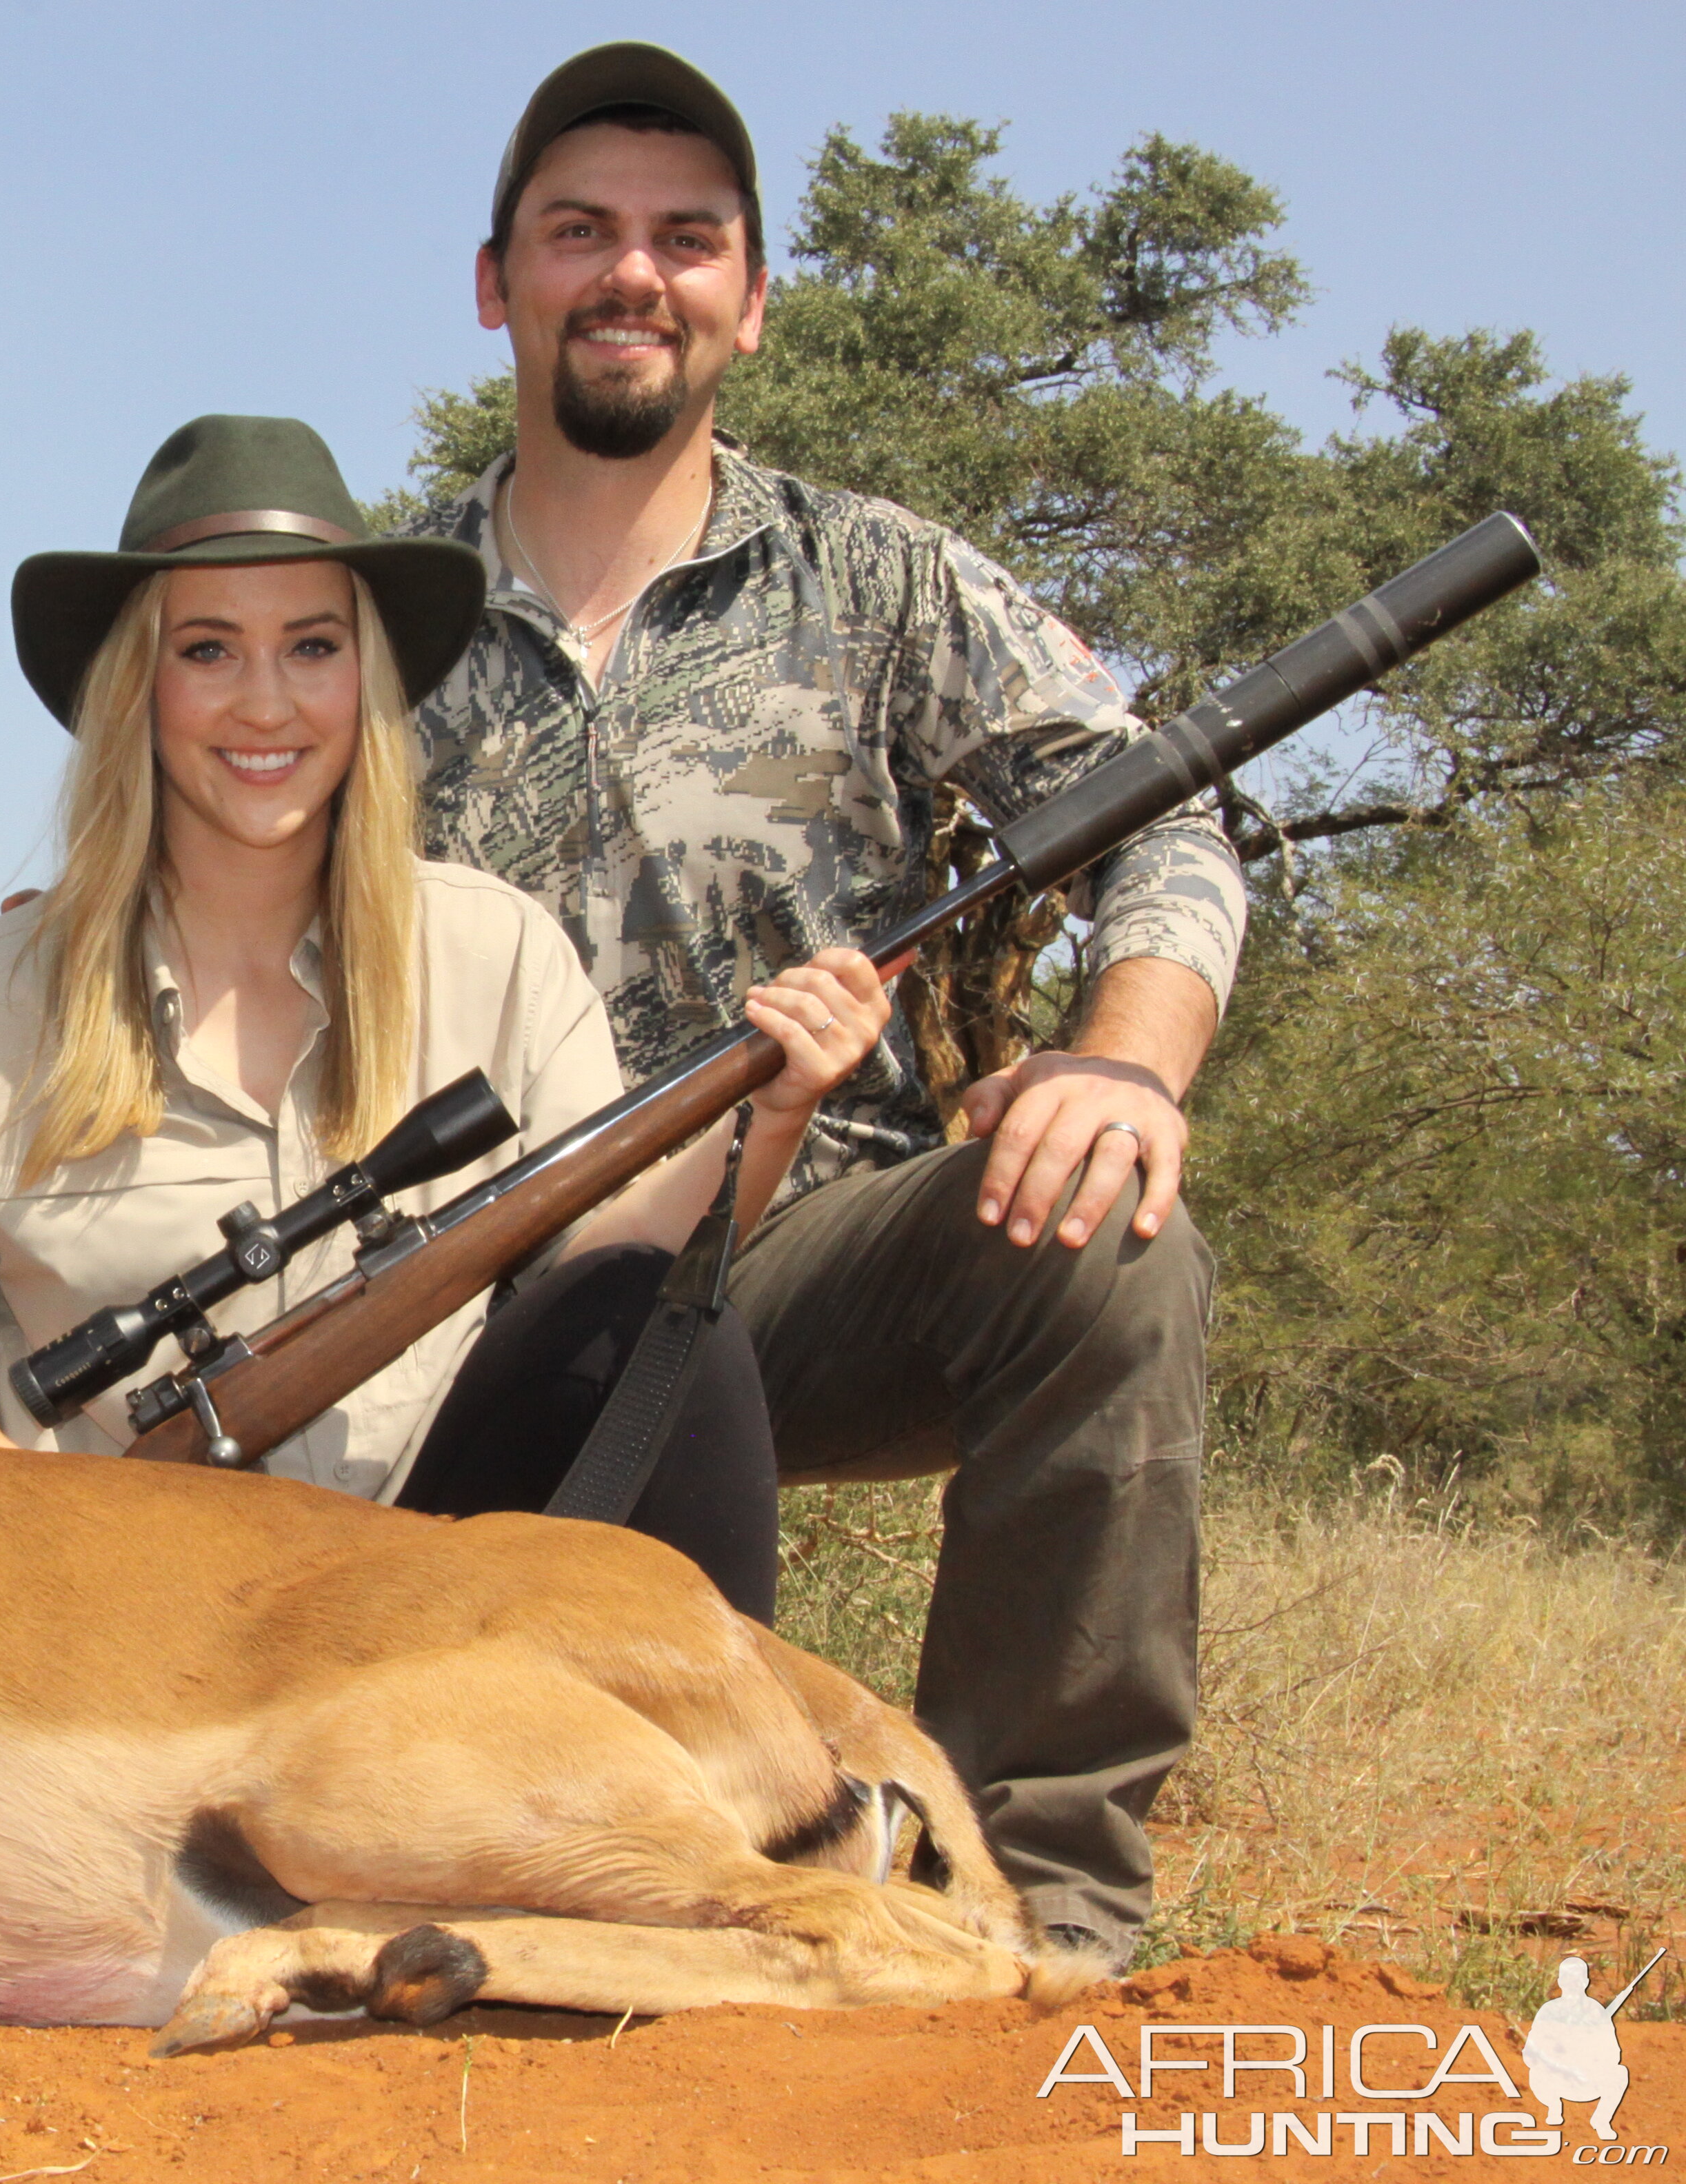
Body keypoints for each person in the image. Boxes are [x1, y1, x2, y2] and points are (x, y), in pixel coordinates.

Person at [394, 43, 1247, 1965]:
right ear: (495, 281)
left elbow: (1163, 817)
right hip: (469, 1304)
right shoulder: (375, 615)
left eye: (689, 240)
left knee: (1108, 1239)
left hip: (802, 1253)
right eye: (580, 233)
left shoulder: (881, 580)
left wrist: (1124, 1059)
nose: (636, 275)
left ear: (750, 304)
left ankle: (1031, 1920)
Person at [0, 414, 889, 1621]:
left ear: (363, 675)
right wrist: (67, 1557)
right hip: (116, 1629)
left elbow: (606, 1265)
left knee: (665, 1324)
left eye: (311, 645)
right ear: (136, 688)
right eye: (208, 650)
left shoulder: (496, 949)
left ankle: (716, 1778)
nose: (265, 703)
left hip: (432, 1593)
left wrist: (778, 1102)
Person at [1523, 1955, 1638, 2141]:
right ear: (1560, 1981)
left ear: (1586, 1981)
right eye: (1568, 1979)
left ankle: (1601, 2121)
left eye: (1577, 1980)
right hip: (1554, 2079)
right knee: (1536, 2072)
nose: (1573, 1984)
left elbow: (1613, 2054)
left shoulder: (1596, 2011)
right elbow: (1530, 2052)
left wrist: (1590, 2054)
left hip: (1587, 2080)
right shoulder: (1549, 2010)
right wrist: (1557, 2057)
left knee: (1620, 2073)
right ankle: (1553, 2108)